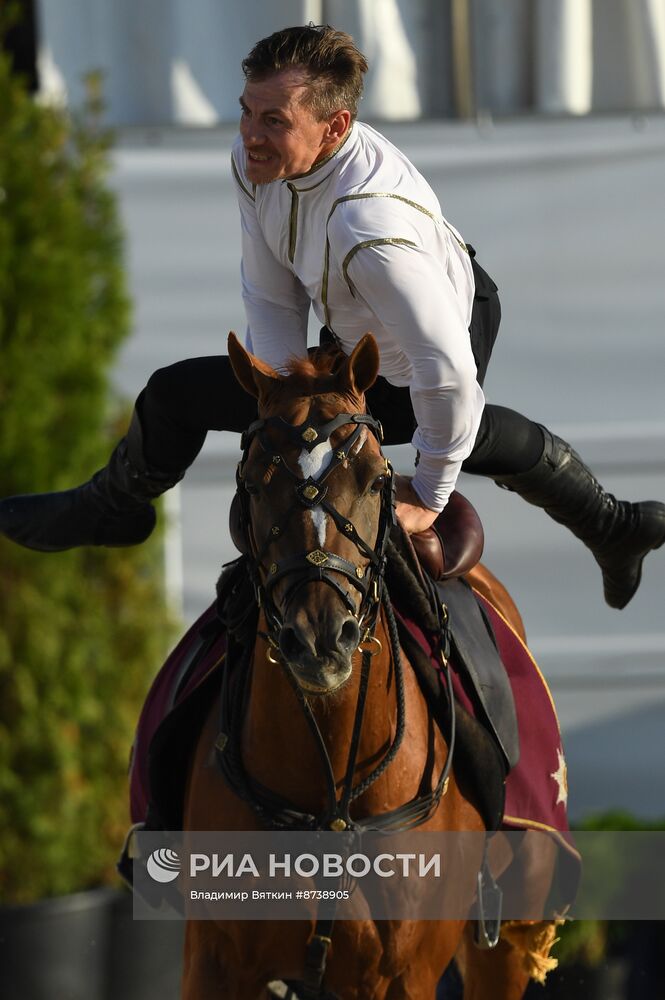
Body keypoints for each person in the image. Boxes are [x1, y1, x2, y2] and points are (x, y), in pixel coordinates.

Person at [1, 24, 663, 610]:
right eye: (245, 112)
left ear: (335, 128)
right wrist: (276, 393)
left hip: (435, 331)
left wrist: (427, 498)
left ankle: (607, 523)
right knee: (175, 394)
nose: (250, 135)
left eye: (273, 121)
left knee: (437, 421)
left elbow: (448, 373)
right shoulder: (255, 163)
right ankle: (110, 508)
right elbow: (270, 291)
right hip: (351, 319)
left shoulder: (370, 231)